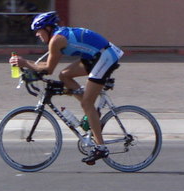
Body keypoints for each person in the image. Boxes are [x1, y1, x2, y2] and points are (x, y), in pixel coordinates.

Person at [10, 11, 124, 164]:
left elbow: (48, 69)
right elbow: (45, 66)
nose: (37, 34)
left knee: (86, 104)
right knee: (64, 76)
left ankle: (101, 148)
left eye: (38, 30)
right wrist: (27, 66)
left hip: (106, 56)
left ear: (48, 28)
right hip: (94, 57)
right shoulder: (56, 37)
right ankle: (92, 114)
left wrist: (24, 63)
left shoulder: (56, 40)